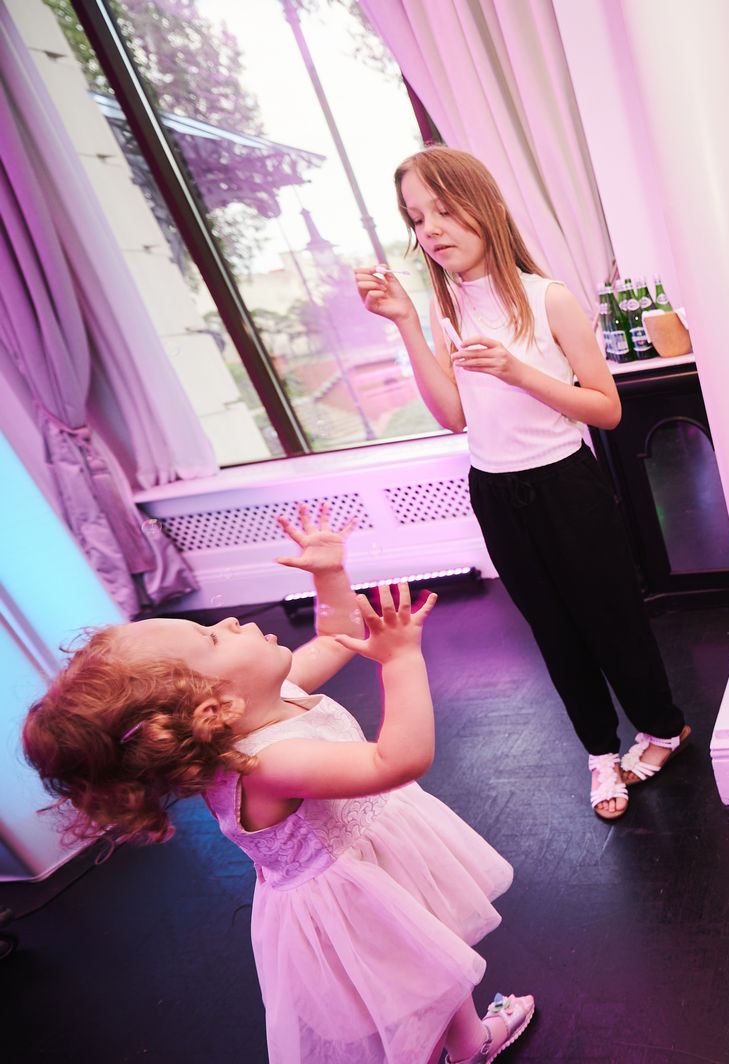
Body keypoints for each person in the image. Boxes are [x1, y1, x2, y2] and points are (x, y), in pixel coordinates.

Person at [22, 505, 534, 1064]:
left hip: (374, 859)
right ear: (216, 706)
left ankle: (469, 1045)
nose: (228, 622)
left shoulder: (264, 701)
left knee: (434, 961)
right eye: (211, 639)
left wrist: (329, 574)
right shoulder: (265, 762)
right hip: (354, 898)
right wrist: (402, 661)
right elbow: (399, 760)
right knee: (413, 994)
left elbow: (338, 636)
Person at [356, 147, 689, 821]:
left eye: (444, 210)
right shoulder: (444, 307)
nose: (431, 230)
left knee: (614, 624)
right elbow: (454, 415)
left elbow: (606, 409)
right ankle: (600, 753)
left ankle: (663, 730)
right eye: (417, 218)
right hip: (496, 492)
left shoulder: (549, 298)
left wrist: (518, 372)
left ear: (485, 207)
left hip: (568, 485)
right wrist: (407, 324)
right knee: (554, 636)